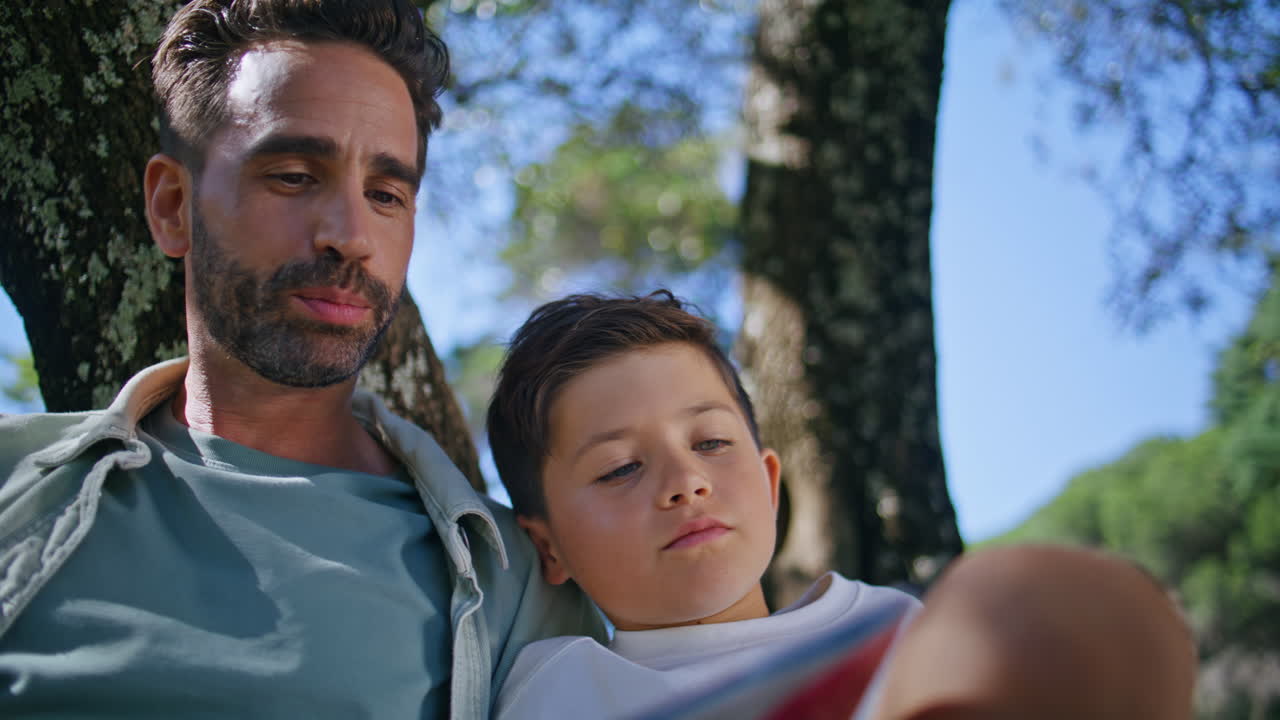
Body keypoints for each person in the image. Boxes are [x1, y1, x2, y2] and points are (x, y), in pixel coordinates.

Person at [0, 2, 602, 718]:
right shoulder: (13, 485)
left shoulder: (516, 583)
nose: (350, 235)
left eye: (385, 193)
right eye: (292, 175)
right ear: (171, 206)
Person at [485, 291, 1197, 720]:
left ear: (769, 484)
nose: (684, 482)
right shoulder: (560, 686)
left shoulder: (889, 628)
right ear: (548, 546)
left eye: (710, 442)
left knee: (1034, 596)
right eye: (620, 468)